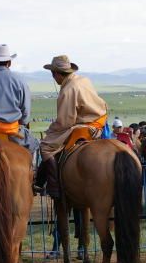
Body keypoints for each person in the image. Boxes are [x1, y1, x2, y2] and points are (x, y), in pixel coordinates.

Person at [35, 55, 108, 198]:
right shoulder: (83, 80)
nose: (53, 78)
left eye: (52, 74)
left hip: (84, 126)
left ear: (56, 73)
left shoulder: (68, 89)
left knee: (45, 146)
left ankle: (54, 186)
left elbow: (65, 122)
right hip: (100, 122)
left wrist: (51, 129)